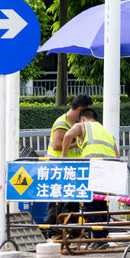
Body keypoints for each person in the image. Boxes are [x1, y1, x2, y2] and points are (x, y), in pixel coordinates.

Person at [62, 107, 119, 250]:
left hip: (94, 170)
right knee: (102, 206)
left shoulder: (81, 125)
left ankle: (97, 239)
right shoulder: (105, 131)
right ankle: (102, 238)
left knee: (91, 206)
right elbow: (116, 155)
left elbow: (68, 135)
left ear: (82, 118)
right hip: (110, 170)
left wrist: (64, 156)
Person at [44, 94, 93, 235]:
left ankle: (72, 230)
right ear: (79, 109)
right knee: (57, 200)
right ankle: (53, 231)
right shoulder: (62, 123)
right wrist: (75, 144)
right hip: (58, 168)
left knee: (72, 200)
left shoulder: (76, 124)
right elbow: (56, 145)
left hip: (71, 168)